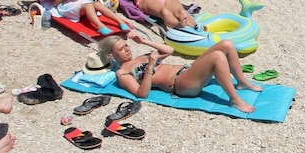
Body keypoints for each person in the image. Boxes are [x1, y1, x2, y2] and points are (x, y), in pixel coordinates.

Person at [95, 32, 261, 113]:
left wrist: (143, 41)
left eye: (126, 45)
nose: (127, 49)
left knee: (226, 44)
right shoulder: (123, 73)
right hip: (180, 84)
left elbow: (169, 50)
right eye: (121, 49)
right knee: (217, 56)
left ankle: (241, 82)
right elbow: (141, 94)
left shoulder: (140, 57)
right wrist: (150, 67)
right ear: (111, 55)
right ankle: (235, 100)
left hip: (188, 71)